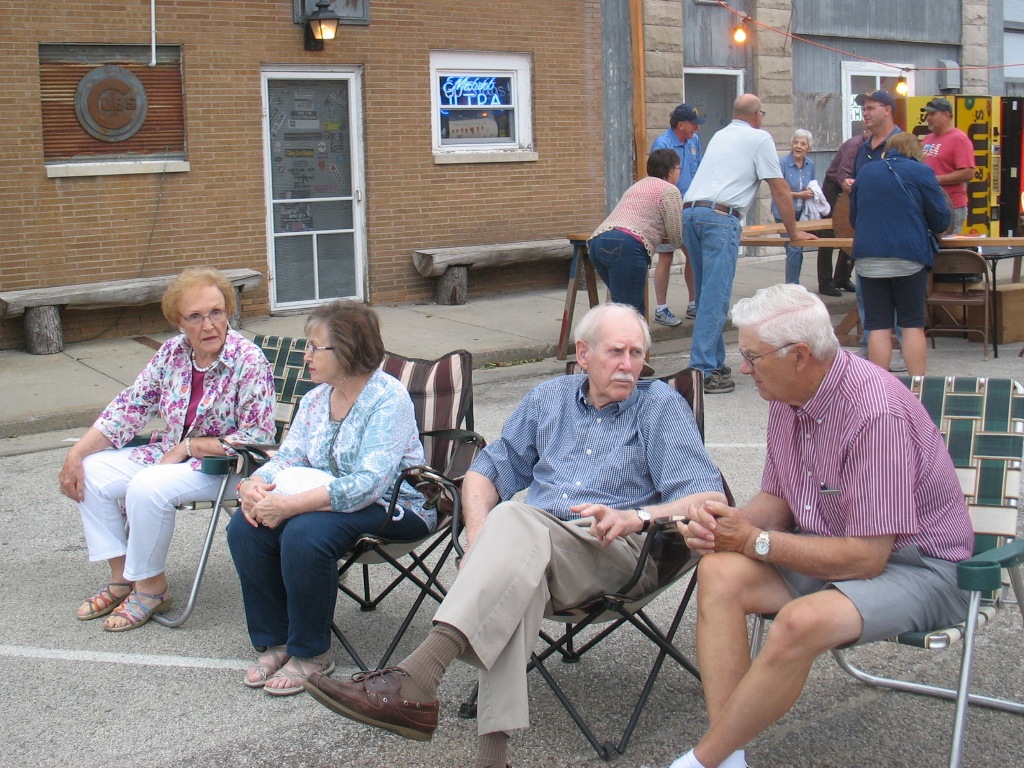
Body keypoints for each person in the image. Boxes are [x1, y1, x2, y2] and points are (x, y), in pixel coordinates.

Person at [303, 303, 727, 768]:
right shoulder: (549, 399)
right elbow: (485, 471)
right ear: (583, 354)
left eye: (637, 354)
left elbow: (708, 498)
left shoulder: (659, 405)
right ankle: (492, 757)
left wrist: (636, 517)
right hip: (534, 553)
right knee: (517, 567)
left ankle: (418, 675)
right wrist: (479, 541)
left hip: (615, 550)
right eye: (616, 352)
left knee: (514, 525)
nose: (629, 365)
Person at [668, 283, 973, 768]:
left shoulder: (875, 414)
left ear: (800, 356)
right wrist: (727, 525)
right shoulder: (787, 395)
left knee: (799, 622)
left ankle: (703, 761)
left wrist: (754, 541)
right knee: (719, 571)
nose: (743, 369)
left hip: (919, 567)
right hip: (831, 545)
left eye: (752, 357)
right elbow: (778, 499)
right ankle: (728, 758)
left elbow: (866, 559)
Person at [226, 300, 432, 696]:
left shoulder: (387, 399)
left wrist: (289, 506)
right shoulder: (316, 399)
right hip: (324, 500)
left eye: (314, 347)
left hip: (395, 504)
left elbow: (370, 483)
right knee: (245, 527)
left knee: (305, 533)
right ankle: (277, 640)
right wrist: (255, 484)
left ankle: (311, 652)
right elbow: (288, 457)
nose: (306, 356)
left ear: (348, 350)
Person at [59, 267, 277, 631]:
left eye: (216, 312)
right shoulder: (173, 353)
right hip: (172, 457)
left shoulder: (248, 360)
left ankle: (152, 589)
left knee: (147, 485)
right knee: (92, 472)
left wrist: (190, 446)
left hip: (226, 468)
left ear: (228, 311)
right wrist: (76, 454)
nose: (209, 325)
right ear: (179, 322)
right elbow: (130, 406)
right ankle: (122, 579)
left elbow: (258, 437)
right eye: (195, 316)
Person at [683, 93, 817, 395]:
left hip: (691, 213)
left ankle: (713, 361)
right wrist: (794, 233)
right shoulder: (760, 138)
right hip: (720, 217)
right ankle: (702, 370)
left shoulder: (720, 135)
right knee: (716, 298)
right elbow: (780, 189)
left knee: (706, 294)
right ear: (757, 115)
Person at [850, 132, 950, 376]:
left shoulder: (866, 172)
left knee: (877, 326)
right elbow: (941, 219)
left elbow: (854, 218)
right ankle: (918, 386)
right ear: (915, 152)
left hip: (869, 259)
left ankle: (880, 388)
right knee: (912, 324)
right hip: (909, 257)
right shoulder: (921, 172)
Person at [587, 149, 684, 318]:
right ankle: (624, 336)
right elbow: (676, 236)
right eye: (678, 169)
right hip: (628, 245)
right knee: (631, 313)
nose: (679, 173)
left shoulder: (637, 185)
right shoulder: (669, 190)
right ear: (670, 171)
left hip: (598, 241)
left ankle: (614, 333)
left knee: (621, 305)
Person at [650, 103, 706, 324]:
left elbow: (698, 170)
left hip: (690, 207)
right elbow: (658, 180)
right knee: (666, 255)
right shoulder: (663, 144)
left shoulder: (694, 140)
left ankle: (694, 303)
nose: (697, 128)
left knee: (693, 253)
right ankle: (661, 308)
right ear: (681, 125)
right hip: (668, 206)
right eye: (693, 124)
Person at [814, 130, 868, 296]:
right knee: (828, 236)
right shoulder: (855, 145)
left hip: (853, 189)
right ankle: (825, 283)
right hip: (834, 187)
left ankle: (842, 278)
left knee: (851, 232)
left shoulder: (874, 146)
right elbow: (842, 174)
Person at [921, 96, 976, 234]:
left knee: (947, 245)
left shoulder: (959, 138)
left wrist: (936, 179)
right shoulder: (928, 138)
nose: (928, 118)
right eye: (928, 114)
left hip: (951, 205)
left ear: (946, 115)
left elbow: (969, 172)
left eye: (932, 114)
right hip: (929, 204)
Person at [771, 129, 817, 285]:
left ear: (808, 148)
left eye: (803, 144)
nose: (798, 146)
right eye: (796, 142)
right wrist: (799, 195)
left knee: (799, 248)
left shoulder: (810, 164)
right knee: (794, 248)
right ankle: (792, 287)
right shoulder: (783, 163)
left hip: (802, 213)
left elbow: (812, 184)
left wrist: (812, 192)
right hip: (783, 213)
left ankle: (793, 284)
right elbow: (778, 191)